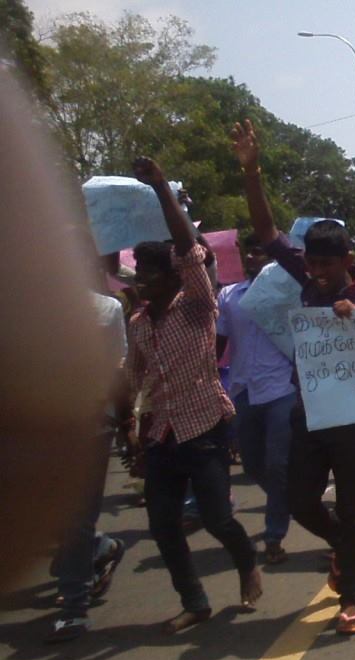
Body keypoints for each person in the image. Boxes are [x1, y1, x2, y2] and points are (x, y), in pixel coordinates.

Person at [233, 119, 355, 635]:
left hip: (352, 419)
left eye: (326, 266)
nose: (317, 273)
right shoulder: (306, 273)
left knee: (354, 508)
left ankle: (350, 598)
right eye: (312, 265)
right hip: (309, 411)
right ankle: (343, 543)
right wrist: (251, 172)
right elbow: (268, 233)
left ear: (348, 261)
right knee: (300, 501)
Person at [127, 157, 260, 634]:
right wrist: (135, 431)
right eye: (138, 273)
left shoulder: (198, 307)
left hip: (204, 427)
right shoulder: (139, 324)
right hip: (162, 436)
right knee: (163, 526)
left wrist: (161, 187)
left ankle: (246, 561)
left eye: (149, 273)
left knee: (218, 519)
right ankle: (195, 602)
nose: (141, 280)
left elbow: (188, 250)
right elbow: (138, 380)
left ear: (173, 277)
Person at [47, 286, 130, 642]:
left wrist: (127, 424)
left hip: (90, 426)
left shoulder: (106, 308)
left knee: (76, 516)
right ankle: (99, 548)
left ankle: (74, 609)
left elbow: (118, 367)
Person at [215, 234, 295, 565]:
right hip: (243, 388)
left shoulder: (288, 293)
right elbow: (219, 342)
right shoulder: (229, 295)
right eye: (248, 252)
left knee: (277, 464)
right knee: (252, 464)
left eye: (259, 251)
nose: (252, 257)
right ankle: (288, 498)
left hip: (281, 387)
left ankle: (274, 534)